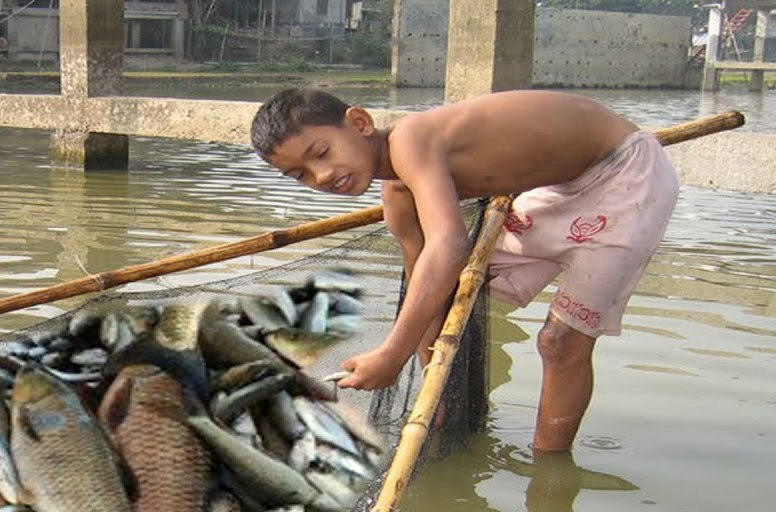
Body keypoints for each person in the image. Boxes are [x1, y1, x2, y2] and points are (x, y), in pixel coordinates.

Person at [250, 89, 679, 452]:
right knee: (448, 287)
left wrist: (390, 355)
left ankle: (548, 472)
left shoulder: (411, 139)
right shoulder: (397, 195)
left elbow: (449, 245)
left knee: (561, 341)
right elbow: (424, 278)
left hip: (624, 173)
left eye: (321, 153)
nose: (321, 175)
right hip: (559, 187)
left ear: (360, 122)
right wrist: (430, 377)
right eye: (300, 174)